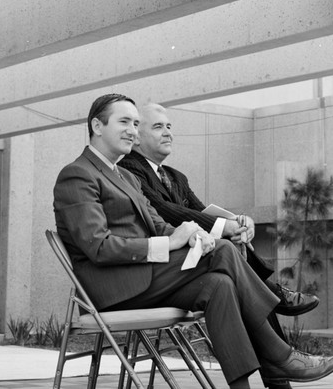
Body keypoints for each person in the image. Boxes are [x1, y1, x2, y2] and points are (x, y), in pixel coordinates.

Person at [53, 93, 333, 389]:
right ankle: (280, 355)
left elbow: (159, 225)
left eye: (136, 123)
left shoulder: (127, 177)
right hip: (112, 289)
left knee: (220, 285)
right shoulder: (77, 175)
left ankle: (263, 376)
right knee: (225, 250)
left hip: (145, 277)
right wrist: (170, 243)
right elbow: (98, 246)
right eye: (124, 121)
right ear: (97, 126)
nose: (132, 130)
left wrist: (193, 235)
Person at [119, 102, 319, 317]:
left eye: (169, 126)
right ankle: (275, 296)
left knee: (246, 282)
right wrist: (225, 227)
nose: (168, 133)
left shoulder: (176, 176)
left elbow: (202, 211)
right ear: (137, 137)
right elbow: (163, 210)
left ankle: (274, 308)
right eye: (158, 127)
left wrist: (239, 222)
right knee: (238, 269)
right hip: (161, 269)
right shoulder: (129, 168)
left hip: (192, 255)